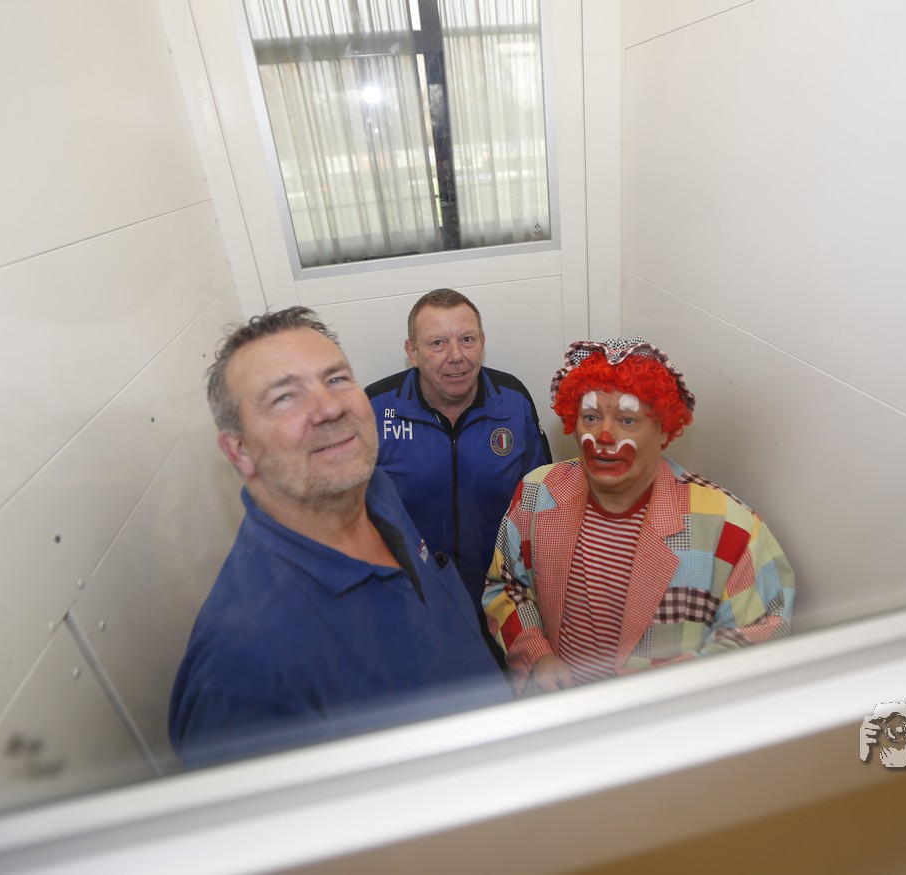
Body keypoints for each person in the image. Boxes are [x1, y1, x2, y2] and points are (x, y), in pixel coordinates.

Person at [169, 307, 510, 768]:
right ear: (239, 449)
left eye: (336, 379)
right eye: (284, 397)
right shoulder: (242, 672)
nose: (329, 407)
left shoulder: (375, 490)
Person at [482, 337, 795, 694]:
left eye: (627, 420)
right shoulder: (538, 494)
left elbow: (763, 634)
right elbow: (506, 586)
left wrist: (655, 695)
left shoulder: (730, 529)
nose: (604, 435)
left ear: (665, 430)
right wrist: (537, 656)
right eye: (591, 417)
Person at [365, 289, 551, 610]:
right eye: (437, 343)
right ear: (413, 352)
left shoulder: (513, 399)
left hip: (502, 594)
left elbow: (542, 502)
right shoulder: (376, 408)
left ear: (482, 342)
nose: (456, 355)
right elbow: (352, 512)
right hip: (412, 598)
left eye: (467, 339)